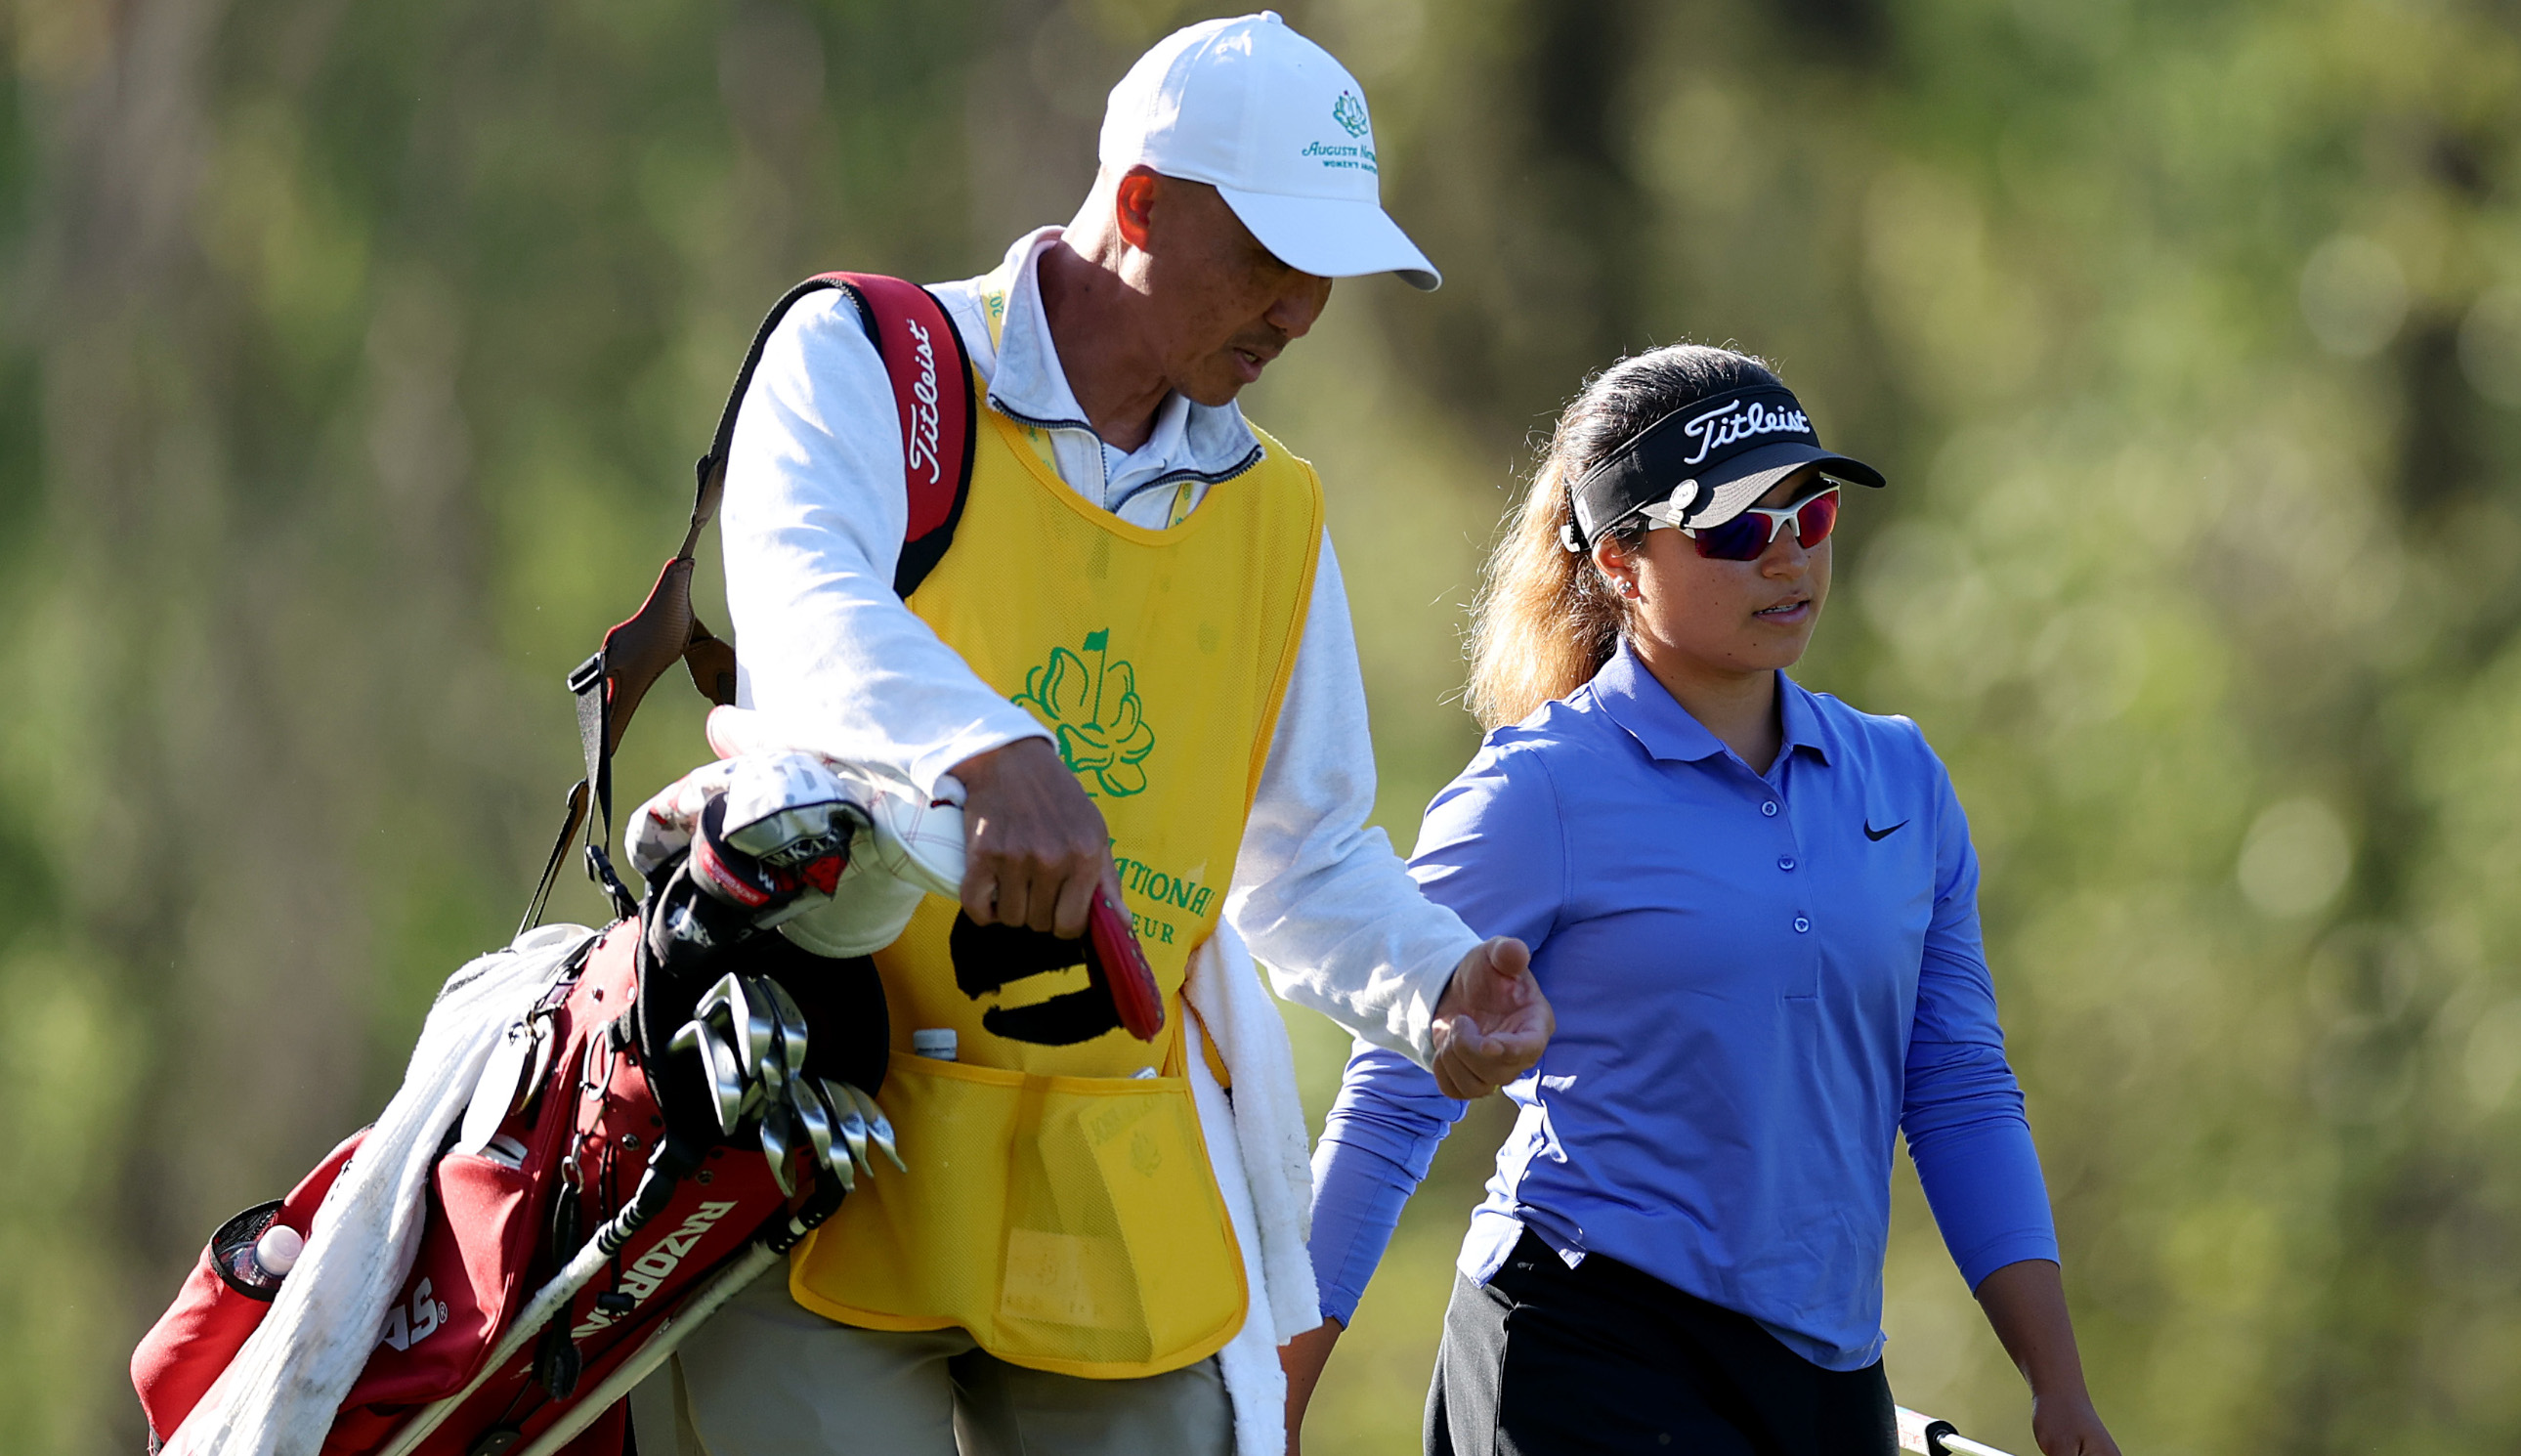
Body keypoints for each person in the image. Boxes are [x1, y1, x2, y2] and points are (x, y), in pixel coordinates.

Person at [635, 15, 1552, 1456]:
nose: (1302, 311)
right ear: (1139, 204)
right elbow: (800, 613)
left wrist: (1434, 980)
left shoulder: (1277, 512)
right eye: (1269, 260)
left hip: (1103, 1179)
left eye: (1329, 275)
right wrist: (992, 752)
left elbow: (1301, 859)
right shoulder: (871, 358)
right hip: (812, 1132)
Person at [1282, 346, 2121, 1456]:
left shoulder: (1900, 779)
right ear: (1623, 559)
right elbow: (1392, 1107)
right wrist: (1270, 1402)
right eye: (1734, 526)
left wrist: (2056, 1384)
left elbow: (1959, 1085)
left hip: (1827, 1379)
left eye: (1809, 515)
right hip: (1585, 1343)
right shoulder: (1537, 791)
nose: (1787, 557)